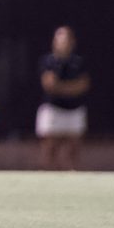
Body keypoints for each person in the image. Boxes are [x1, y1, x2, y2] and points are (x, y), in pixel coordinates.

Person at [36, 25, 89, 171]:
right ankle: (47, 178)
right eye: (58, 39)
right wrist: (70, 88)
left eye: (65, 39)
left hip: (75, 109)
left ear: (72, 42)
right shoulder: (48, 61)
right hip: (53, 109)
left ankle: (72, 178)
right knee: (49, 147)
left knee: (73, 149)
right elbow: (49, 85)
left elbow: (83, 85)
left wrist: (61, 87)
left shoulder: (79, 62)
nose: (62, 43)